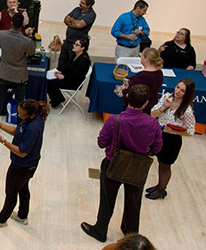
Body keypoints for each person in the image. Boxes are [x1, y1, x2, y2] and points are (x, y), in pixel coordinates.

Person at [81, 84, 162, 243]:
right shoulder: (153, 124)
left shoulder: (114, 120)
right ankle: (130, 234)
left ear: (127, 98)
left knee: (107, 199)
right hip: (138, 167)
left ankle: (100, 230)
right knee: (133, 202)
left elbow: (101, 142)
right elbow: (157, 147)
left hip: (113, 164)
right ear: (146, 103)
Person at [0, 99, 50, 229]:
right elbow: (18, 131)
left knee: (11, 192)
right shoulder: (31, 119)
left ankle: (1, 220)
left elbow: (22, 152)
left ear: (30, 114)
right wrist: (1, 125)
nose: (18, 115)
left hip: (22, 166)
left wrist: (2, 141)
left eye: (20, 114)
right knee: (23, 187)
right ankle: (22, 215)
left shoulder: (33, 128)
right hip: (27, 165)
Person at [145, 78, 195, 200]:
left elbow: (190, 131)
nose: (177, 92)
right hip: (159, 135)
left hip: (172, 140)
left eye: (182, 90)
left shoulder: (187, 110)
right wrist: (164, 107)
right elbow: (153, 113)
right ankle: (159, 185)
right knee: (159, 162)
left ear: (187, 94)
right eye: (177, 87)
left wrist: (172, 130)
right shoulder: (166, 97)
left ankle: (162, 190)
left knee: (165, 165)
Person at [0, 13, 35, 120]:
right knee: (20, 103)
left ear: (11, 23)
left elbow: (1, 46)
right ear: (22, 25)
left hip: (4, 72)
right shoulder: (27, 41)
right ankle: (20, 125)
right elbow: (32, 52)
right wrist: (29, 36)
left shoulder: (1, 34)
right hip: (18, 76)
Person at [47, 38, 91, 108]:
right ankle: (58, 98)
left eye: (77, 45)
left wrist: (63, 77)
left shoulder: (83, 61)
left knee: (49, 82)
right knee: (48, 78)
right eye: (75, 44)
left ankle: (57, 99)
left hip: (73, 83)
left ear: (82, 48)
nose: (74, 46)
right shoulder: (75, 55)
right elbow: (68, 66)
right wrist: (61, 72)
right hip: (69, 77)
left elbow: (77, 77)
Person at [121, 48, 163, 115]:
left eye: (142, 56)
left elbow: (130, 95)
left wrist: (124, 90)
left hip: (138, 109)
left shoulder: (141, 76)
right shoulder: (159, 73)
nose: (141, 58)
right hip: (151, 106)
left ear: (147, 59)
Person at [58, 0, 96, 69]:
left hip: (77, 44)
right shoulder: (76, 9)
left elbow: (79, 25)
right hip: (67, 41)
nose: (80, 4)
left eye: (83, 3)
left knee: (72, 64)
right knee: (62, 62)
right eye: (80, 1)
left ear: (89, 5)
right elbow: (65, 19)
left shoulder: (91, 14)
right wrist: (75, 23)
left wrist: (72, 20)